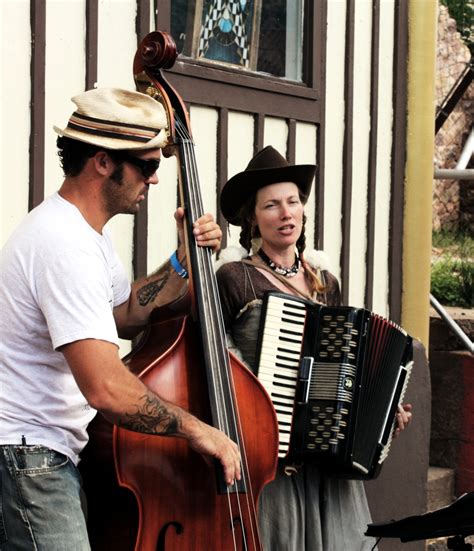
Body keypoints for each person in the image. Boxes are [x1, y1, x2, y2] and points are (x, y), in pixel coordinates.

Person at [0, 87, 241, 551]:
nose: (153, 180)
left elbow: (125, 315)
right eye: (147, 165)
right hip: (27, 456)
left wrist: (182, 262)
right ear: (103, 162)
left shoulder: (85, 237)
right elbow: (106, 388)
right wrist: (196, 429)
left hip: (41, 454)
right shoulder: (62, 244)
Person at [215, 146, 413, 551]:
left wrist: (380, 409)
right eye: (271, 205)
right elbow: (218, 363)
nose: (285, 213)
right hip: (271, 453)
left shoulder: (325, 281)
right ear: (253, 218)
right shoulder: (234, 278)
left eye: (292, 202)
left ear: (303, 211)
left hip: (327, 460)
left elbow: (347, 367)